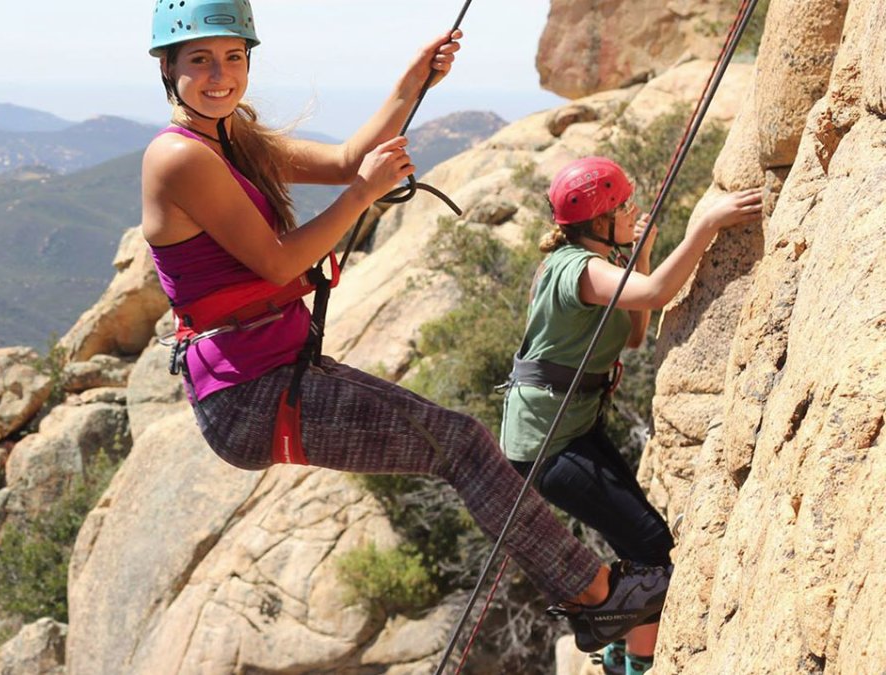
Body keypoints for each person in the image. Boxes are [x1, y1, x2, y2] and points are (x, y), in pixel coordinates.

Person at [139, 0, 669, 654]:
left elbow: (342, 159)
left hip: (274, 375)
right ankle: (598, 597)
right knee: (463, 446)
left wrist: (412, 84)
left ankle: (599, 598)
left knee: (462, 444)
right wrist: (362, 194)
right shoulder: (179, 158)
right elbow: (277, 262)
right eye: (201, 60)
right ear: (168, 68)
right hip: (249, 394)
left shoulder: (233, 140)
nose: (221, 73)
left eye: (233, 57)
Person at [501, 157, 761, 673]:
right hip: (547, 443)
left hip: (571, 428)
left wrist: (639, 257)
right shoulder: (577, 267)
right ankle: (629, 664)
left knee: (644, 547)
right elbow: (658, 296)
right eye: (622, 206)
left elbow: (635, 333)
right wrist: (705, 225)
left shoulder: (596, 265)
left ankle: (620, 649)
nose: (633, 210)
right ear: (599, 222)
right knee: (652, 553)